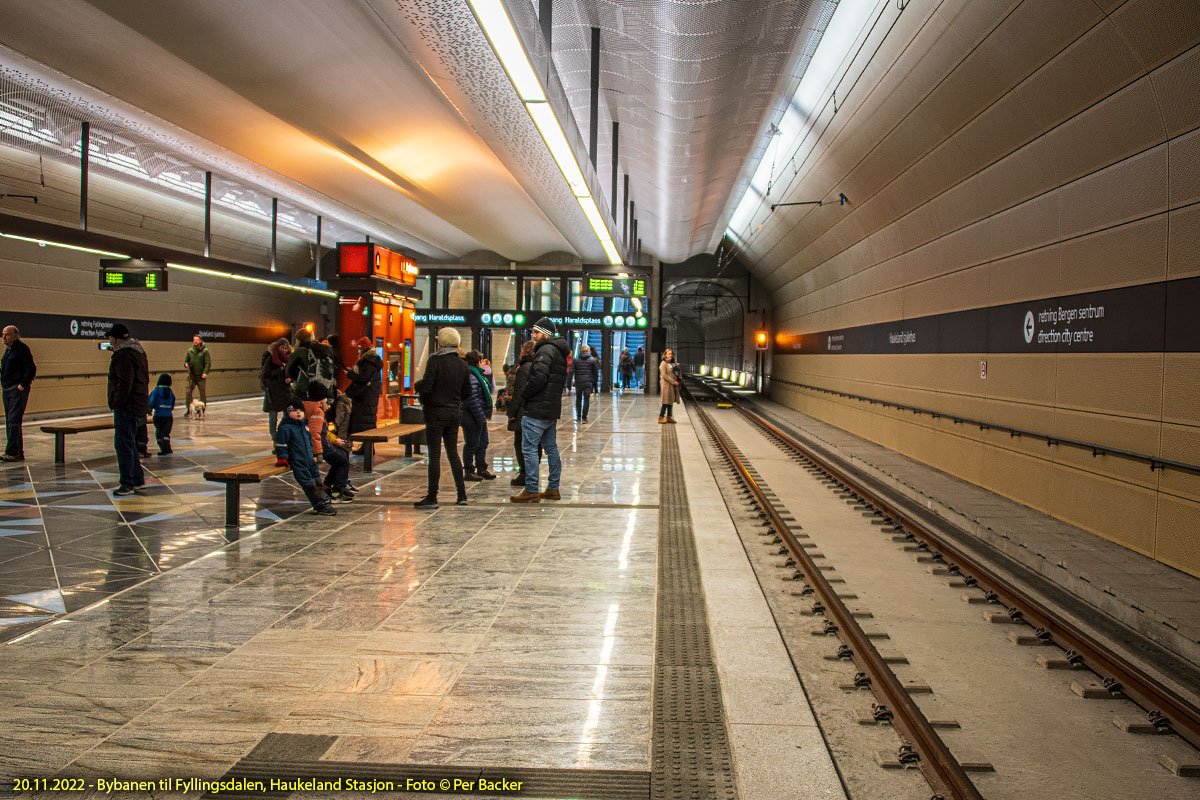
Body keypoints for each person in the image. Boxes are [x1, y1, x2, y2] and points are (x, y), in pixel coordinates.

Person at [412, 327, 471, 509]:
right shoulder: (463, 364)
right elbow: (467, 391)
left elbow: (428, 385)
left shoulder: (435, 360)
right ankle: (461, 494)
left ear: (441, 342)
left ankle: (432, 496)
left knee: (435, 455)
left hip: (435, 412)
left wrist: (418, 387)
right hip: (454, 412)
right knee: (453, 453)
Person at [512, 317, 568, 503]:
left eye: (537, 332)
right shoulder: (559, 351)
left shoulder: (545, 350)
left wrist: (524, 394)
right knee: (551, 448)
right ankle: (553, 488)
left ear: (546, 334)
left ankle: (531, 489)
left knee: (528, 449)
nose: (534, 336)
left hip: (537, 408)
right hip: (551, 408)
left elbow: (538, 378)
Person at [105, 323, 150, 495]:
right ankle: (138, 480)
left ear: (115, 339)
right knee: (130, 444)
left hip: (127, 406)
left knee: (123, 444)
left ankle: (127, 483)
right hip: (138, 405)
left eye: (111, 339)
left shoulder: (122, 356)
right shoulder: (139, 352)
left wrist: (117, 403)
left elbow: (125, 383)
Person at [274, 399, 335, 515]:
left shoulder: (304, 426)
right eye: (294, 411)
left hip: (309, 458)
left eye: (300, 411)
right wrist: (283, 457)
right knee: (308, 483)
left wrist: (313, 453)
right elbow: (282, 445)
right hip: (298, 460)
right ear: (288, 413)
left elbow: (309, 441)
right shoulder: (286, 428)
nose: (298, 413)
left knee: (317, 480)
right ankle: (318, 503)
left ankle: (323, 498)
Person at [506, 340, 541, 487]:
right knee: (535, 443)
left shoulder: (524, 368)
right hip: (536, 410)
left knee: (521, 443)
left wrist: (511, 412)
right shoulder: (539, 367)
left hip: (523, 412)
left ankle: (525, 473)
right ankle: (532, 472)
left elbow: (519, 393)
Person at [1, 325, 36, 462]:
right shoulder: (8, 351)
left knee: (13, 420)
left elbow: (31, 369)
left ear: (15, 335)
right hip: (8, 389)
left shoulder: (21, 349)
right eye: (3, 334)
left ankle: (11, 452)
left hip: (16, 390)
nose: (4, 337)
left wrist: (22, 385)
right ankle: (17, 451)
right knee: (11, 421)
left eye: (7, 335)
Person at [461, 350, 495, 481]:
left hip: (478, 416)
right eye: (481, 360)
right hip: (471, 416)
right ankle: (469, 470)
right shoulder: (471, 376)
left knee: (483, 442)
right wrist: (481, 416)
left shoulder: (477, 375)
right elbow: (472, 399)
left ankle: (481, 468)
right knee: (471, 443)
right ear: (478, 362)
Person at [345, 337, 383, 435]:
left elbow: (362, 378)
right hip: (369, 397)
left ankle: (366, 449)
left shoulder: (368, 361)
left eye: (359, 349)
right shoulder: (373, 360)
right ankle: (365, 449)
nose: (358, 351)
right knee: (366, 423)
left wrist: (350, 374)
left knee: (364, 424)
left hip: (365, 398)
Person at [260, 338, 293, 441]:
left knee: (288, 413)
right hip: (273, 391)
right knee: (273, 416)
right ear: (277, 348)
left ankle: (282, 434)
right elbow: (265, 375)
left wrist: (290, 378)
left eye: (286, 348)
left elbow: (293, 372)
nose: (284, 350)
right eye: (282, 347)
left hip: (285, 391)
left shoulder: (289, 359)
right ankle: (275, 438)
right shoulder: (271, 358)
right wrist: (279, 370)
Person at [147, 373, 175, 455]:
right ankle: (167, 448)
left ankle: (163, 448)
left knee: (159, 432)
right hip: (169, 416)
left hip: (158, 415)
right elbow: (172, 404)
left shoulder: (155, 392)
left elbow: (151, 402)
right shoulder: (170, 393)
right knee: (166, 433)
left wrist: (149, 410)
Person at [183, 335, 210, 418]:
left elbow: (208, 363)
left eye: (197, 340)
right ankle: (189, 409)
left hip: (201, 376)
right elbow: (186, 361)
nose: (195, 341)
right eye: (194, 340)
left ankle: (202, 409)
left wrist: (205, 372)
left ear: (200, 341)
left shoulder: (205, 351)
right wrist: (186, 364)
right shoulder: (190, 351)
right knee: (188, 392)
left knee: (202, 393)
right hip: (192, 375)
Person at [570, 345, 599, 422]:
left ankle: (579, 417)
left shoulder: (576, 360)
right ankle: (585, 417)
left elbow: (571, 371)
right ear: (589, 351)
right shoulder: (592, 360)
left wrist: (568, 384)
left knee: (578, 399)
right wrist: (594, 382)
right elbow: (595, 372)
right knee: (586, 400)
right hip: (588, 382)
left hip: (579, 382)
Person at [659, 348, 681, 424]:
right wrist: (673, 381)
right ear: (665, 355)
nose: (670, 355)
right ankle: (661, 417)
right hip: (666, 385)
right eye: (668, 354)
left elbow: (677, 372)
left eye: (671, 354)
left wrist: (678, 379)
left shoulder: (673, 363)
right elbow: (664, 375)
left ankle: (669, 417)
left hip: (673, 385)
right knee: (665, 401)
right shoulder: (663, 364)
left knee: (670, 401)